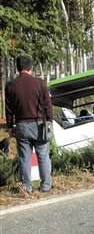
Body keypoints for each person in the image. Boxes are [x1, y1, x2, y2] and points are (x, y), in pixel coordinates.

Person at [5, 55, 53, 193]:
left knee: (24, 158)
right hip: (40, 125)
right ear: (31, 68)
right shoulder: (40, 83)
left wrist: (9, 127)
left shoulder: (10, 86)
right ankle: (45, 186)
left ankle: (27, 188)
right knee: (43, 156)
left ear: (17, 68)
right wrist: (49, 121)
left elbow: (8, 110)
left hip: (21, 126)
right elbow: (47, 105)